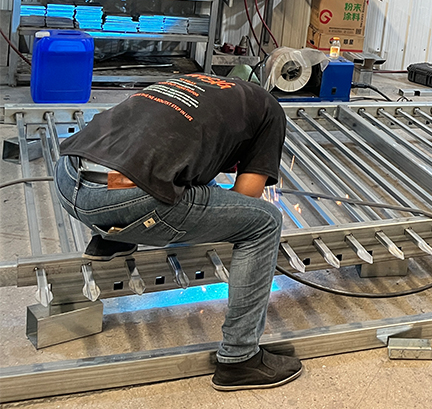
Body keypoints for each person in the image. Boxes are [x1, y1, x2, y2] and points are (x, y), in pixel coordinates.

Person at [55, 73, 302, 391]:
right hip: (124, 199)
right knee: (264, 222)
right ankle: (240, 358)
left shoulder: (192, 86)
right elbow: (246, 196)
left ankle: (113, 237)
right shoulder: (270, 111)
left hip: (68, 179)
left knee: (174, 168)